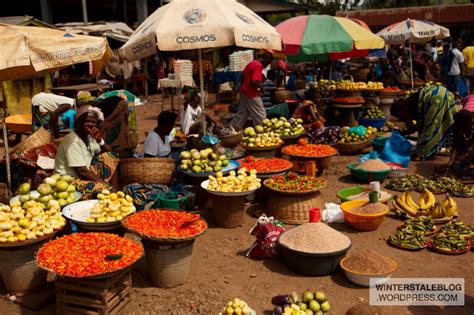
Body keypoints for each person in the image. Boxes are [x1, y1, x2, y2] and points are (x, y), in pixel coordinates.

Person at [391, 85, 457, 161]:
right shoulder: (410, 102)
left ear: (399, 112)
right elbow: (417, 126)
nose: (399, 118)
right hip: (444, 93)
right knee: (440, 123)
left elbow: (417, 127)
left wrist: (404, 133)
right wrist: (405, 132)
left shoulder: (405, 110)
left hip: (435, 98)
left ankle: (425, 153)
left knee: (431, 128)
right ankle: (432, 150)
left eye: (398, 116)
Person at [54, 106, 111, 181]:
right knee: (102, 189)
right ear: (79, 122)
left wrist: (99, 140)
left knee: (112, 158)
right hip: (69, 180)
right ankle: (111, 189)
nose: (90, 124)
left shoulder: (90, 137)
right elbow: (82, 171)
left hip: (83, 176)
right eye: (87, 121)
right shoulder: (72, 140)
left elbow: (109, 153)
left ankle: (114, 189)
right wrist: (105, 184)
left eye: (93, 122)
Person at [231, 52, 273, 128]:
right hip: (251, 93)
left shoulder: (251, 63)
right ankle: (263, 131)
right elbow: (254, 81)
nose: (267, 66)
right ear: (266, 60)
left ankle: (232, 129)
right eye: (268, 63)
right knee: (260, 114)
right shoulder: (258, 65)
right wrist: (262, 88)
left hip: (244, 91)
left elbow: (243, 77)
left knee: (242, 113)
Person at [445, 110, 473, 176]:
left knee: (469, 154)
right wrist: (451, 162)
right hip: (467, 140)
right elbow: (455, 144)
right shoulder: (457, 126)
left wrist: (468, 153)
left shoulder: (471, 124)